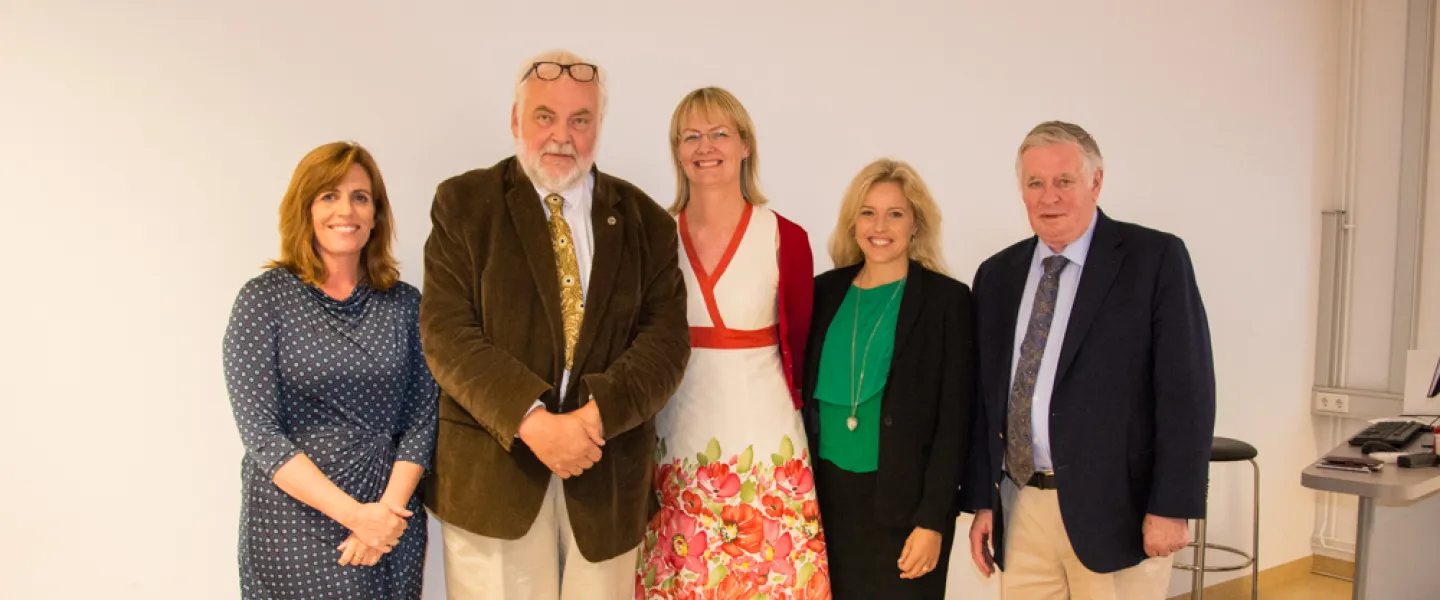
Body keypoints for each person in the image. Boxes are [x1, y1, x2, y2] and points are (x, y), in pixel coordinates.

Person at [419, 49, 690, 600]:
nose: (561, 135)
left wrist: (594, 419)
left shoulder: (648, 222)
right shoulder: (464, 203)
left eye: (580, 119)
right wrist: (533, 422)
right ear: (516, 121)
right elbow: (447, 335)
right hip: (494, 481)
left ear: (598, 126)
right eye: (545, 116)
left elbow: (665, 343)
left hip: (607, 477)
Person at [961, 121, 1216, 598]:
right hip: (1022, 509)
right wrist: (983, 502)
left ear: (1096, 182)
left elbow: (1187, 393)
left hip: (1119, 513)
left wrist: (1172, 506)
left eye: (1064, 181)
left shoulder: (1154, 259)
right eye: (1035, 183)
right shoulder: (997, 276)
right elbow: (983, 401)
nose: (1048, 196)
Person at [635, 87, 830, 600]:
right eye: (691, 136)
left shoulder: (785, 237)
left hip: (766, 446)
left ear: (746, 145)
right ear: (677, 151)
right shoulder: (654, 237)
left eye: (720, 133)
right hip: (676, 441)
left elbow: (803, 347)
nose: (706, 146)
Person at [222, 141, 438, 600]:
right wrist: (354, 516)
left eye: (360, 197)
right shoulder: (264, 301)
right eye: (329, 196)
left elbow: (422, 419)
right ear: (304, 208)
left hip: (388, 523)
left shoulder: (405, 305)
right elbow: (261, 434)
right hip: (294, 523)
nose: (347, 210)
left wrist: (383, 514)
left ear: (376, 214)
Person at [801, 158, 974, 599]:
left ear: (916, 223)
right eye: (868, 212)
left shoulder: (946, 302)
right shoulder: (822, 293)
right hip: (825, 506)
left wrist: (933, 520)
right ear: (852, 223)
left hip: (906, 511)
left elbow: (955, 423)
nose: (881, 225)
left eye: (895, 213)